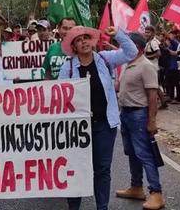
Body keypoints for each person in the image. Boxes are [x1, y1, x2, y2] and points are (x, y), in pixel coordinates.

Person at [59, 26, 138, 210]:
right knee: (76, 169)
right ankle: (73, 207)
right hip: (78, 129)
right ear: (74, 46)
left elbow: (131, 52)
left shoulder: (104, 59)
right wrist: (79, 111)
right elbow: (61, 97)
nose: (84, 42)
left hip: (104, 125)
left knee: (102, 169)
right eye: (79, 40)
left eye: (86, 38)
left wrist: (118, 34)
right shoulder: (68, 67)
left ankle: (102, 207)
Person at [115, 32, 164, 210]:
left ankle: (156, 193)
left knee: (145, 154)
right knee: (132, 152)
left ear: (138, 48)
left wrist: (152, 121)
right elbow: (118, 87)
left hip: (139, 114)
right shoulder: (127, 65)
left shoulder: (146, 66)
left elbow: (152, 96)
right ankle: (136, 187)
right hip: (126, 114)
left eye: (128, 44)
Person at [165, 31, 180, 104]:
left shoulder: (175, 42)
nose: (169, 36)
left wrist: (163, 29)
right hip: (169, 66)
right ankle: (171, 97)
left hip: (175, 66)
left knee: (176, 82)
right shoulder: (170, 45)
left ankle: (178, 98)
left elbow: (174, 53)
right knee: (169, 82)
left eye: (171, 35)